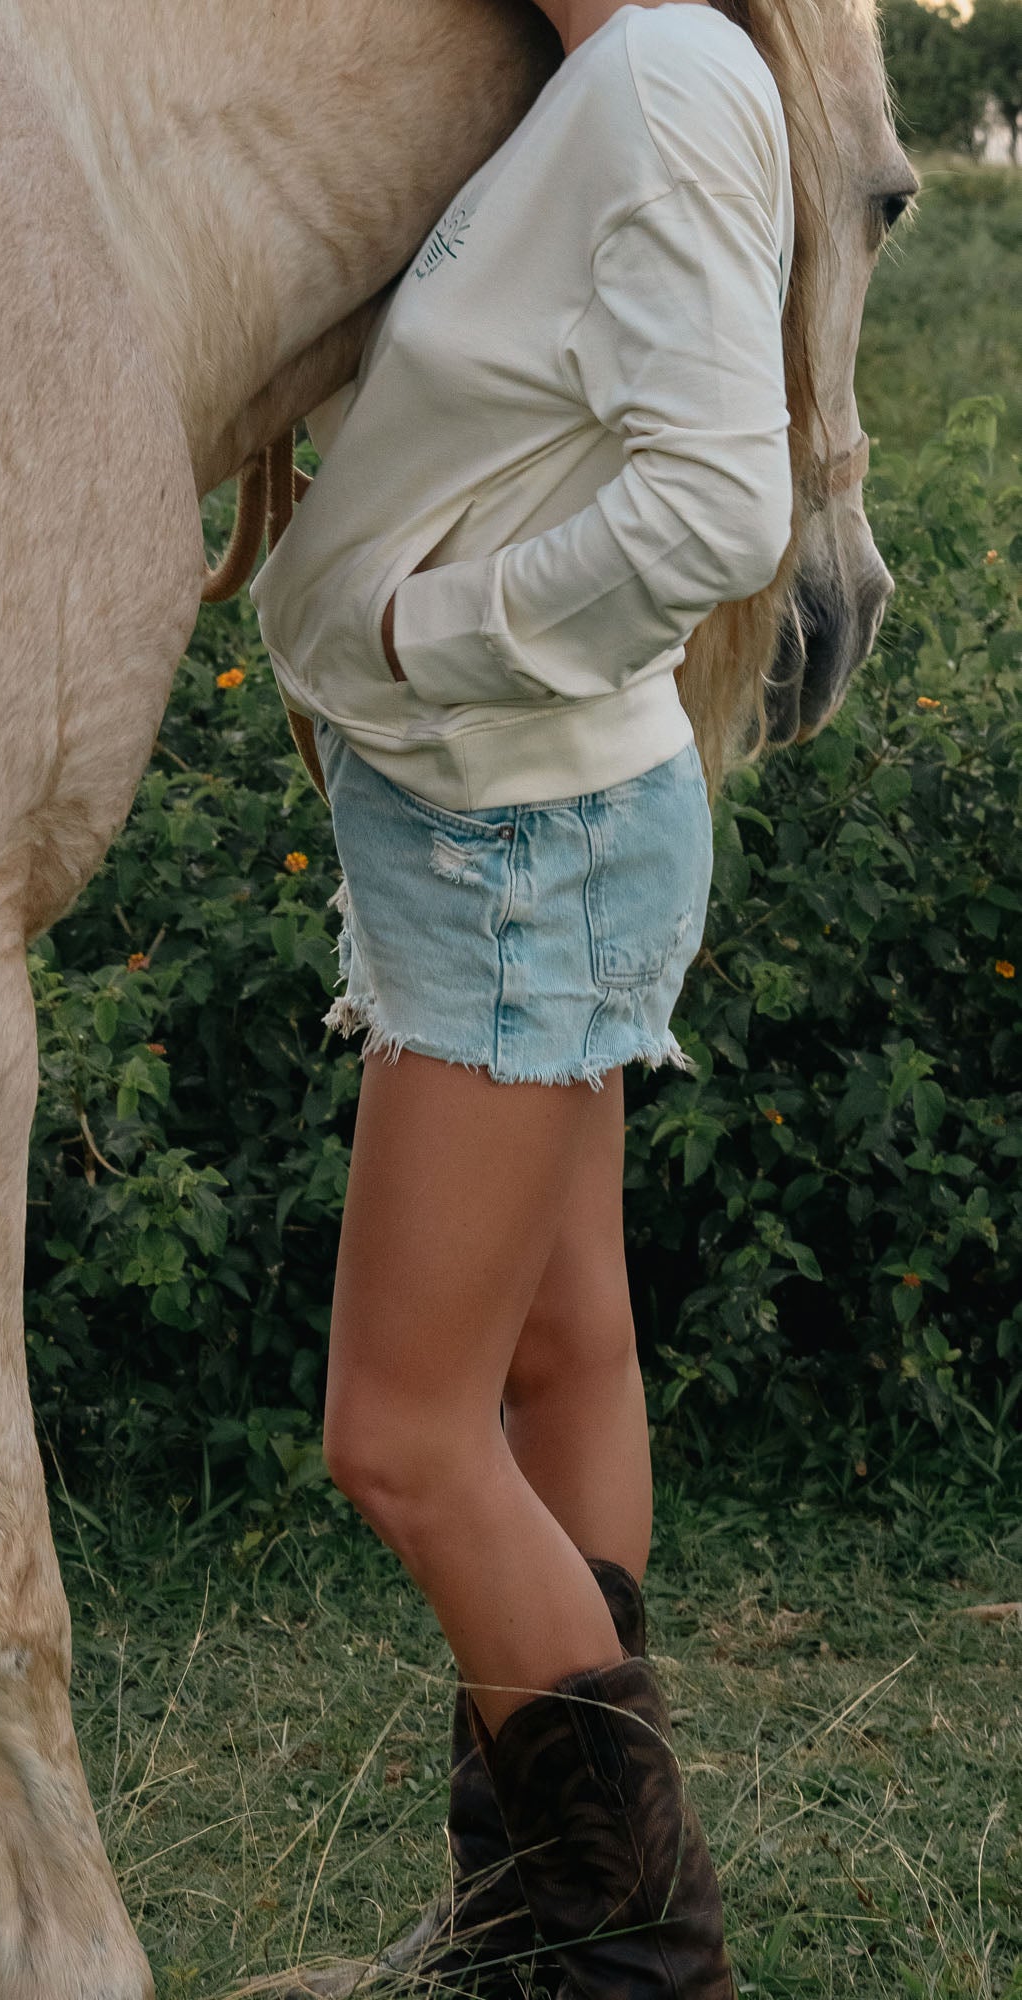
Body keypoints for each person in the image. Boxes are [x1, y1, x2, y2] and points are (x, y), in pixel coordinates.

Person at [249, 2, 798, 1993]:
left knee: (398, 1432)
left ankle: (633, 1964)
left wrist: (422, 629)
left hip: (519, 846)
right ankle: (528, 1924)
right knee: (565, 1358)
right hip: (523, 830)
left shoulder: (656, 78)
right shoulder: (602, 77)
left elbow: (715, 507)